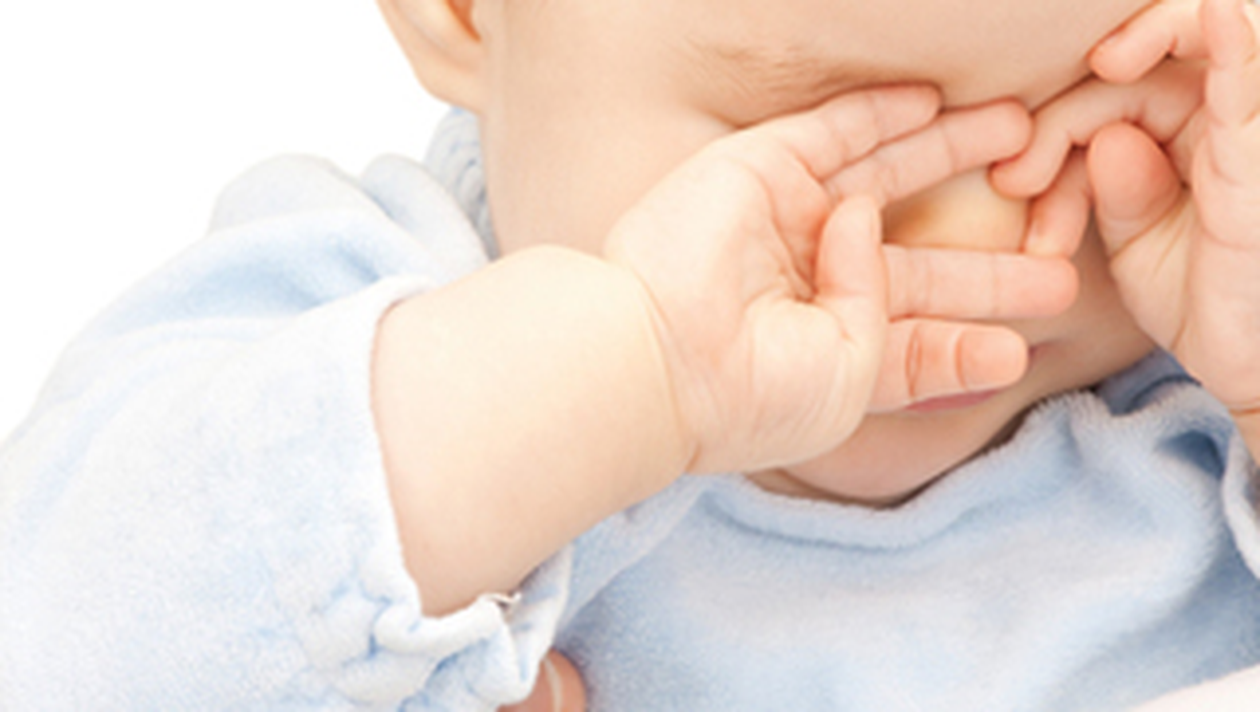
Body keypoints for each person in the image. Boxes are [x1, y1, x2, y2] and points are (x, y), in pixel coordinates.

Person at [2, 0, 1260, 707]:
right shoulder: (356, 332)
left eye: (1104, 122)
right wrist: (628, 367)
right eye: (831, 132)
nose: (985, 246)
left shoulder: (1202, 385)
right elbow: (58, 646)